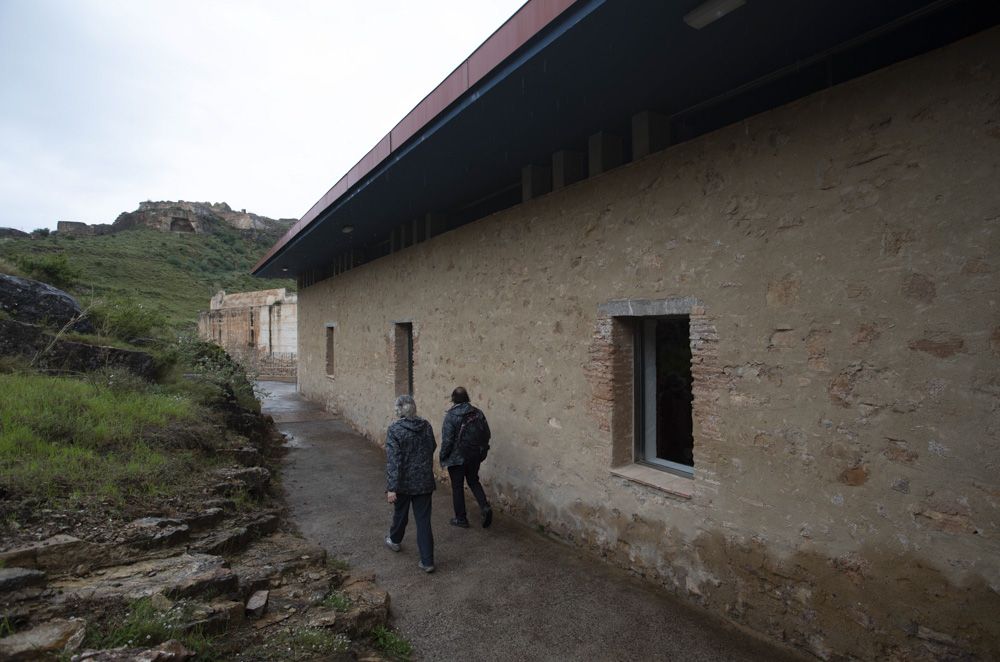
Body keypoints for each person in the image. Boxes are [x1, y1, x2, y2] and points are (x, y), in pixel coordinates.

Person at [384, 394, 437, 573]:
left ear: (398, 410)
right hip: (424, 481)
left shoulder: (395, 430)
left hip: (404, 482)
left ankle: (395, 540)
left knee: (401, 514)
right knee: (423, 521)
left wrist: (392, 487)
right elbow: (433, 446)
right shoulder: (426, 426)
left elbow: (393, 460)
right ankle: (427, 561)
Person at [440, 386, 493, 529]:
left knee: (457, 487)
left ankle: (461, 518)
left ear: (453, 399)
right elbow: (487, 433)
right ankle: (485, 507)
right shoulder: (477, 413)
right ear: (467, 398)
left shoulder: (451, 416)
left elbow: (447, 441)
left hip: (457, 458)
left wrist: (443, 457)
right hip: (474, 455)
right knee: (473, 481)